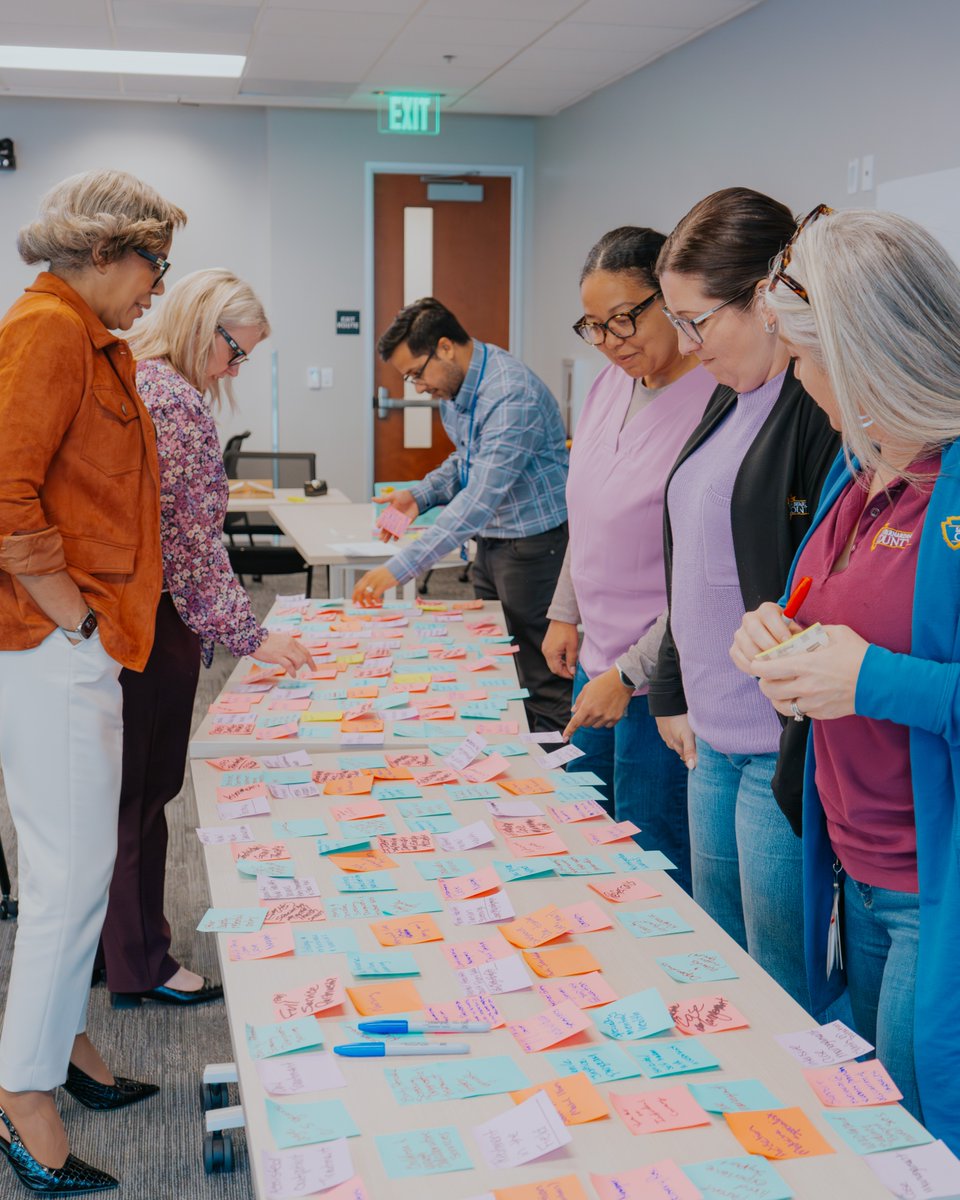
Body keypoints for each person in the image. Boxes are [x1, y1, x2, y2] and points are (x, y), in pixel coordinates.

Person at [731, 208, 960, 1148]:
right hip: (853, 866)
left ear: (868, 358)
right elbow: (836, 612)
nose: (795, 379)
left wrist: (871, 681)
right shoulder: (862, 471)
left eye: (803, 358)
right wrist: (775, 632)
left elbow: (882, 668)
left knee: (915, 1132)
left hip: (929, 887)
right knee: (874, 1129)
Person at [0, 169, 186, 1194]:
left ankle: (63, 1042)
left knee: (72, 867)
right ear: (107, 251)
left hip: (74, 638)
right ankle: (21, 1094)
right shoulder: (48, 331)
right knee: (71, 874)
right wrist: (76, 618)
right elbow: (5, 490)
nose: (159, 285)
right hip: (49, 640)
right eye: (155, 263)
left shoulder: (88, 336)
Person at [97, 269, 314, 1010]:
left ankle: (109, 945)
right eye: (234, 351)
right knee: (144, 794)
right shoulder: (177, 401)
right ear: (202, 326)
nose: (234, 369)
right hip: (152, 620)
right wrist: (250, 635)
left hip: (108, 615)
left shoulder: (132, 375)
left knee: (111, 793)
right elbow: (192, 546)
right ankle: (142, 963)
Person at [649, 188, 839, 1008]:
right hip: (711, 735)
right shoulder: (729, 391)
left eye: (697, 321)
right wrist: (672, 687)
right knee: (719, 964)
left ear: (765, 299)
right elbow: (692, 564)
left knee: (778, 986)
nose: (687, 347)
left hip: (775, 744)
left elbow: (826, 588)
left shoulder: (816, 408)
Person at [541, 227, 714, 891]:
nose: (611, 341)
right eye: (594, 327)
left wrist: (630, 671)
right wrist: (566, 610)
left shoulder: (715, 400)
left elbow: (709, 576)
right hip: (596, 663)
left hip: (659, 675)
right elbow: (588, 509)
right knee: (582, 830)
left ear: (669, 299)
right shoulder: (609, 385)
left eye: (624, 319)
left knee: (651, 855)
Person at [353, 297, 572, 734]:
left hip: (535, 549)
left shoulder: (510, 394)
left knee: (541, 675)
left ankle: (559, 770)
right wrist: (419, 496)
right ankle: (517, 756)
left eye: (416, 374)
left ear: (446, 348)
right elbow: (467, 460)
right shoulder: (455, 390)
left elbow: (479, 499)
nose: (417, 387)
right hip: (491, 545)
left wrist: (401, 568)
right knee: (498, 663)